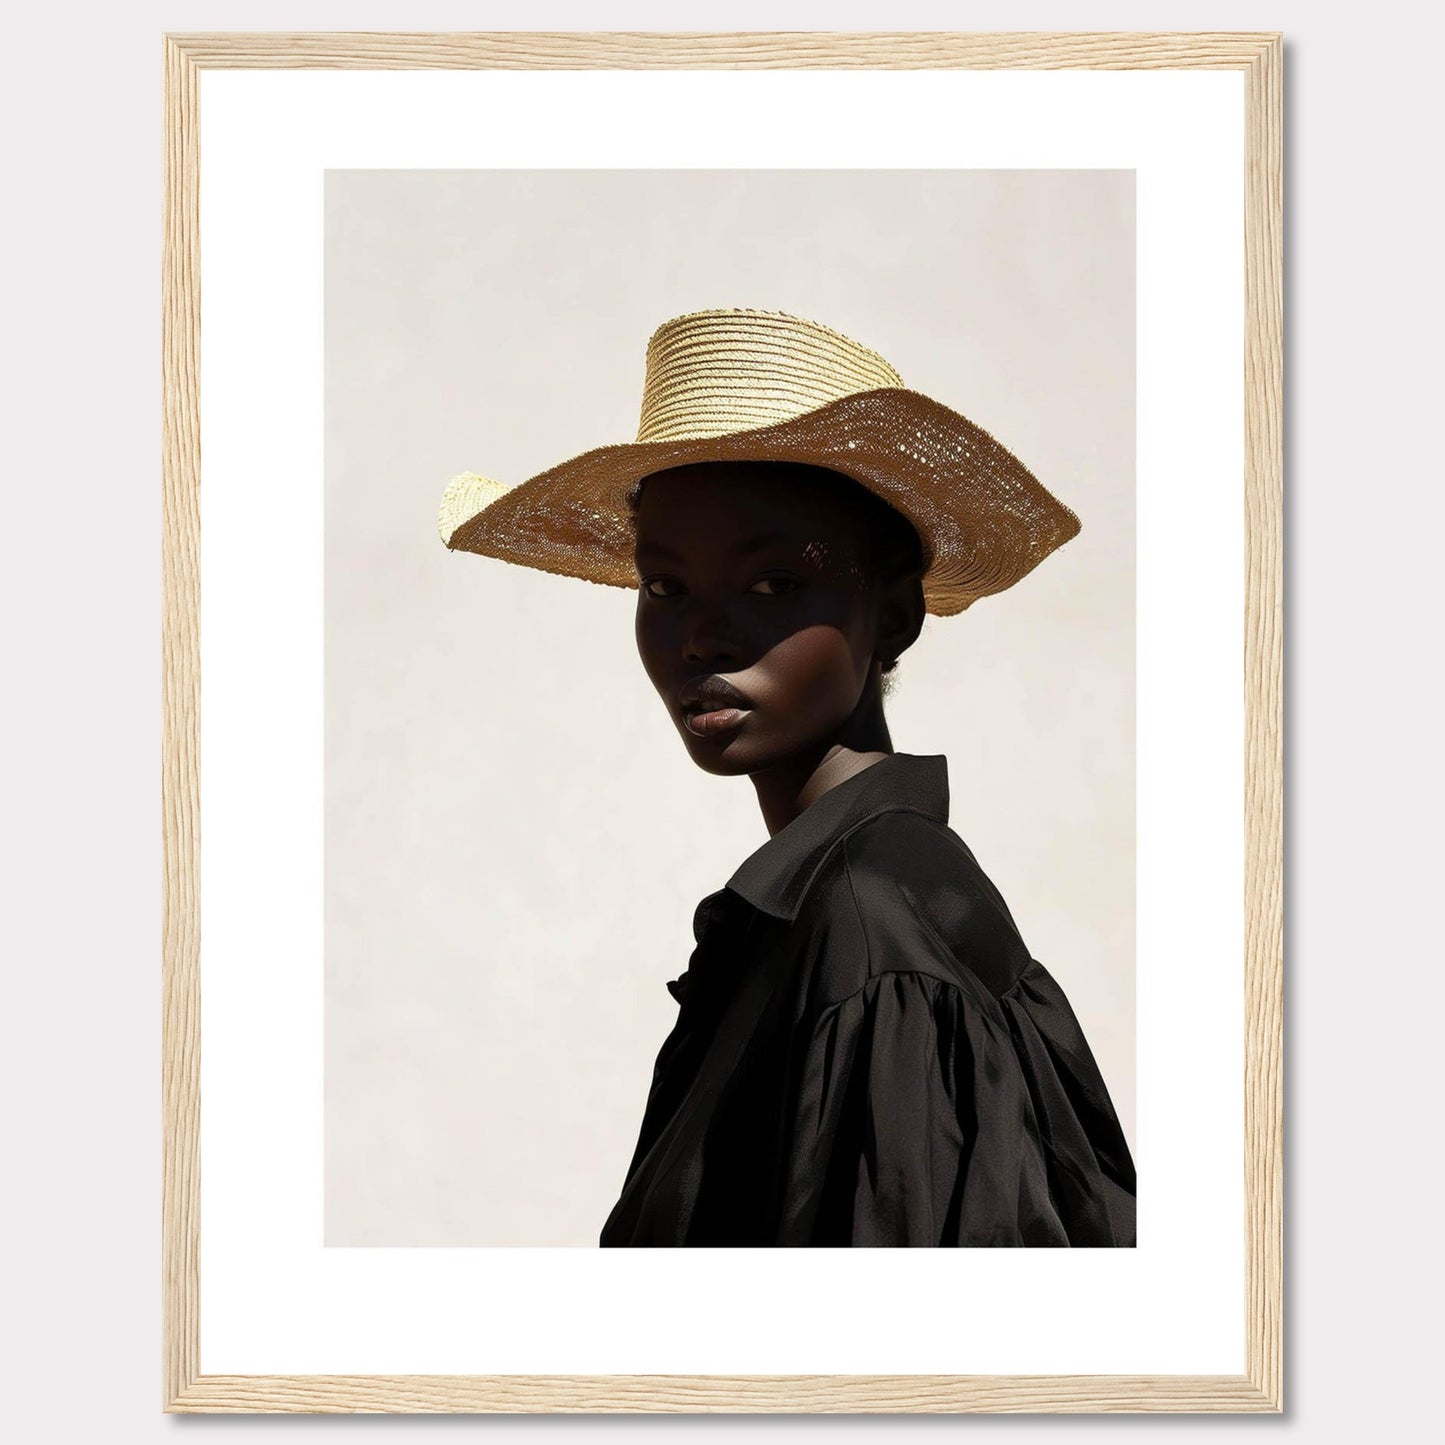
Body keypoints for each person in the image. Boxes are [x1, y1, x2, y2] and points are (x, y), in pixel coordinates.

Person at [439, 307, 1136, 1246]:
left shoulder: (873, 926)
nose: (702, 636)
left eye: (771, 584)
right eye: (663, 586)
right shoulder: (829, 907)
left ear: (892, 616)